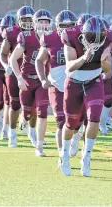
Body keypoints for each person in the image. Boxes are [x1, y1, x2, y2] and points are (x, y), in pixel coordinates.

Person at [59, 17, 112, 177]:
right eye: (91, 39)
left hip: (94, 81)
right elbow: (69, 65)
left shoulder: (107, 38)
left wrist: (104, 61)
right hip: (74, 81)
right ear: (83, 34)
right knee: (71, 123)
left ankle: (87, 156)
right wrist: (84, 58)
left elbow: (107, 70)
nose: (95, 42)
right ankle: (65, 156)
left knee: (95, 117)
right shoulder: (70, 36)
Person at [35, 10, 77, 155]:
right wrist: (43, 79)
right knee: (61, 120)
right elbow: (39, 60)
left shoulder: (79, 37)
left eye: (70, 25)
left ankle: (74, 141)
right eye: (63, 26)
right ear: (57, 26)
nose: (66, 29)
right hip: (56, 85)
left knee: (76, 121)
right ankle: (62, 154)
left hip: (75, 84)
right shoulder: (50, 38)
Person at [10, 7, 50, 156]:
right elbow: (13, 58)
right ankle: (24, 121)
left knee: (42, 112)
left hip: (43, 81)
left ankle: (39, 145)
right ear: (35, 22)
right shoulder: (26, 36)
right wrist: (19, 78)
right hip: (27, 79)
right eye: (41, 21)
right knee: (27, 112)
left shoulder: (54, 37)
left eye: (47, 21)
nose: (44, 24)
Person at [0, 15, 22, 148]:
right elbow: (2, 54)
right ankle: (7, 129)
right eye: (25, 20)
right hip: (13, 72)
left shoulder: (38, 33)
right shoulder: (11, 33)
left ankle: (28, 128)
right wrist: (6, 65)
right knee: (11, 102)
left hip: (29, 72)